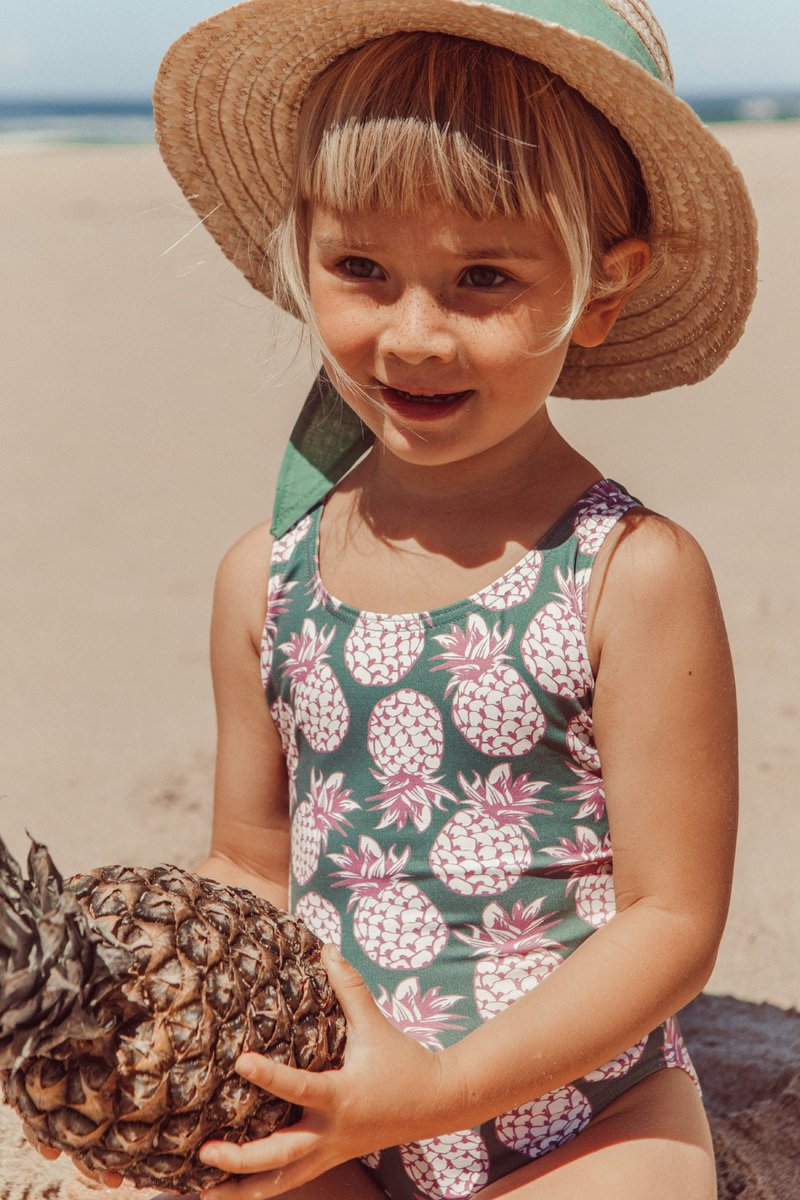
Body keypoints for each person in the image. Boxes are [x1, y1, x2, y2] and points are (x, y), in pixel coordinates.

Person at [40, 1, 758, 1197]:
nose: (413, 335)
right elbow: (250, 865)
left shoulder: (628, 574)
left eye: (483, 277)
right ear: (301, 253)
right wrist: (132, 1061)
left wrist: (438, 1089)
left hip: (585, 1110)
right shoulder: (263, 580)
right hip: (334, 1106)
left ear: (602, 290)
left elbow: (672, 923)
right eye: (361, 269)